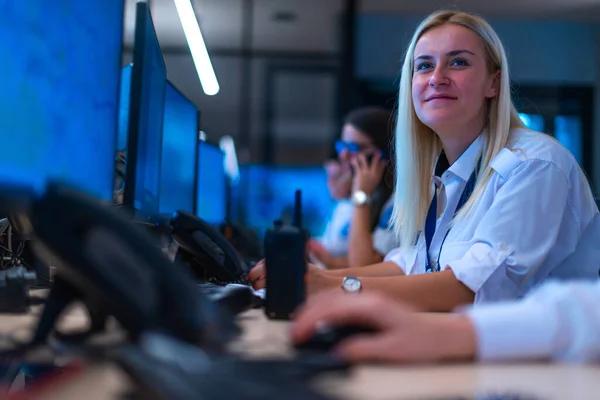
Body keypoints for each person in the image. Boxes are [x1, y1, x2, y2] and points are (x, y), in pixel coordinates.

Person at [250, 10, 599, 311]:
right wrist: (313, 277)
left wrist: (333, 287)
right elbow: (411, 267)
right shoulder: (448, 178)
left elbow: (468, 288)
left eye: (458, 62)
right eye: (424, 66)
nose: (436, 77)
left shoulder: (535, 165)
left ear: (494, 82)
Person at [310, 107, 398, 270]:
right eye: (342, 146)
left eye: (354, 148)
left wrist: (361, 195)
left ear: (386, 154)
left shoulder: (398, 202)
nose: (343, 156)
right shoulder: (373, 195)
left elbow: (361, 267)